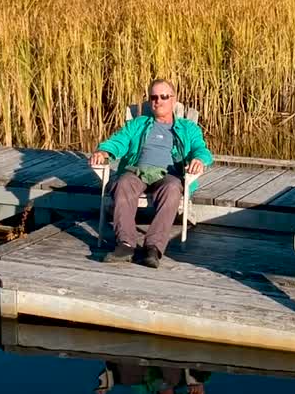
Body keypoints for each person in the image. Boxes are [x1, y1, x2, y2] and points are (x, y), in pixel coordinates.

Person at [88, 79, 213, 268]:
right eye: (154, 97)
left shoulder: (188, 128)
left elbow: (200, 149)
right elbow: (118, 141)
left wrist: (199, 159)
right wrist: (104, 151)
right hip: (137, 171)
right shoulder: (138, 124)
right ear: (149, 101)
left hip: (168, 175)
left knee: (172, 188)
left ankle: (153, 247)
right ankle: (126, 244)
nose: (158, 101)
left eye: (164, 96)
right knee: (123, 184)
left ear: (173, 100)